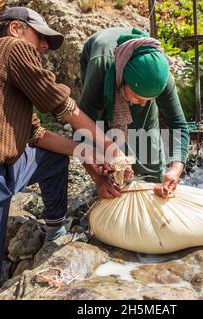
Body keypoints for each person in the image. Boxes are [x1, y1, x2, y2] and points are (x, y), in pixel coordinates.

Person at [0, 7, 122, 300]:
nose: (44, 46)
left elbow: (38, 135)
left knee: (53, 158)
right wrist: (108, 147)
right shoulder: (12, 46)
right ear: (15, 29)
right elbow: (56, 99)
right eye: (41, 36)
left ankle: (54, 231)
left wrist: (85, 152)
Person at [79, 27, 190, 198]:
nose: (144, 104)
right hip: (102, 62)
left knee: (146, 141)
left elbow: (178, 124)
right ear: (123, 80)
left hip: (138, 79)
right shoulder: (101, 65)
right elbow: (82, 127)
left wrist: (175, 169)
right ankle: (113, 179)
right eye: (139, 98)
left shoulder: (160, 75)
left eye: (150, 99)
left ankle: (151, 178)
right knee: (105, 133)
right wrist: (98, 179)